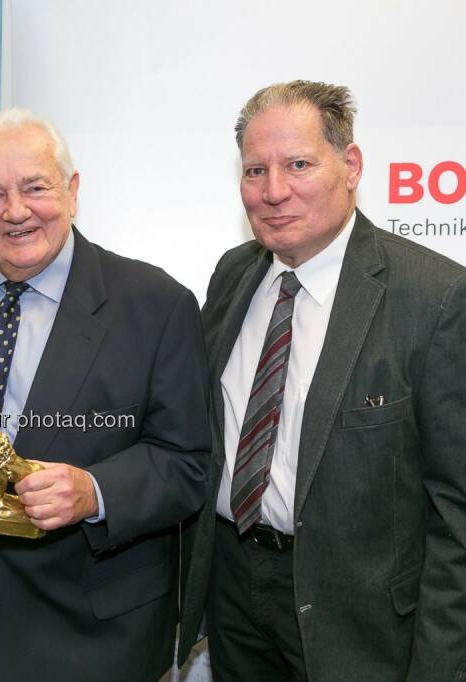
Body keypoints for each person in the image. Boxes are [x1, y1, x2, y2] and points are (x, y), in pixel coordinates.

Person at [178, 80, 466, 681]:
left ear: (351, 165)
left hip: (358, 620)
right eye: (256, 170)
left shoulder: (435, 297)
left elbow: (456, 512)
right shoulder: (233, 275)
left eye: (298, 165)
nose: (274, 191)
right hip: (233, 589)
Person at [0, 108, 212, 682]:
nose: (15, 211)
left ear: (72, 190)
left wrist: (94, 491)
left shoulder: (155, 304)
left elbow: (189, 464)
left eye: (35, 187)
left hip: (101, 641)